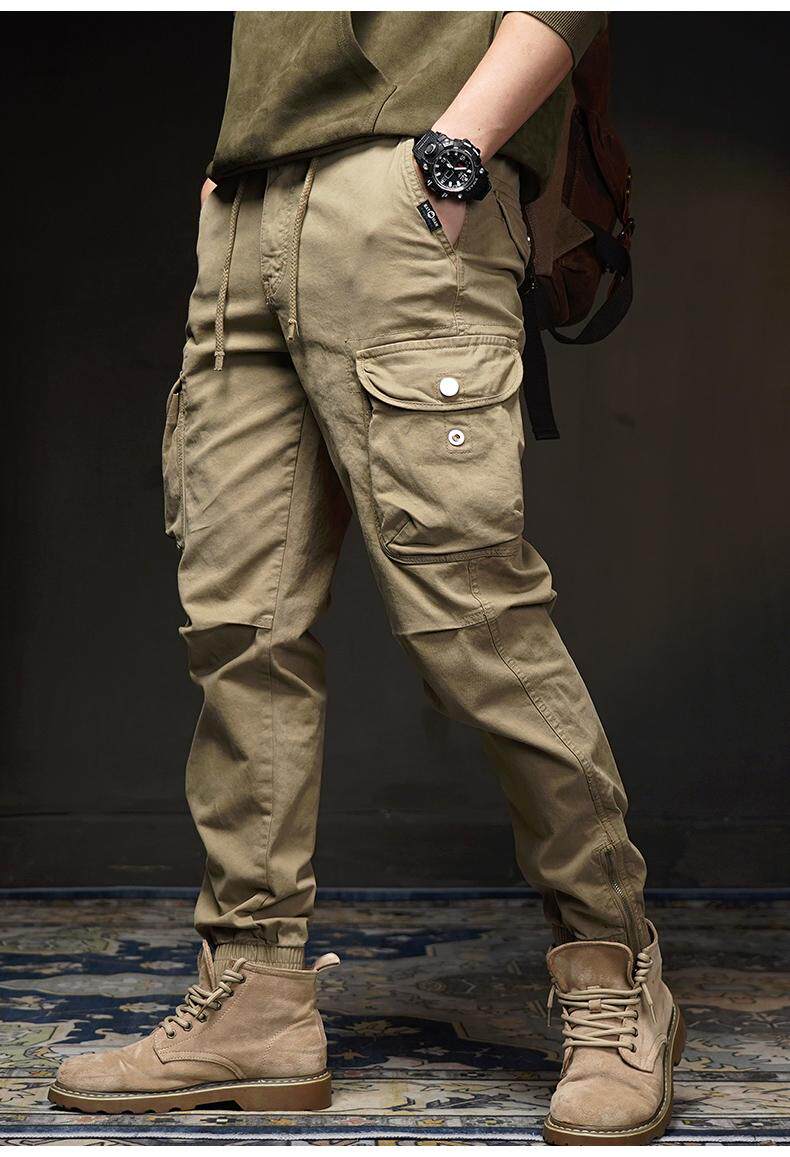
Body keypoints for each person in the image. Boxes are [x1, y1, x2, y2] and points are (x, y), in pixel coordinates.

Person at [49, 12, 683, 1144]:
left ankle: (614, 971)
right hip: (250, 204)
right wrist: (230, 178)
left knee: (472, 624)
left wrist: (458, 150)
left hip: (409, 191)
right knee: (237, 626)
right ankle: (253, 997)